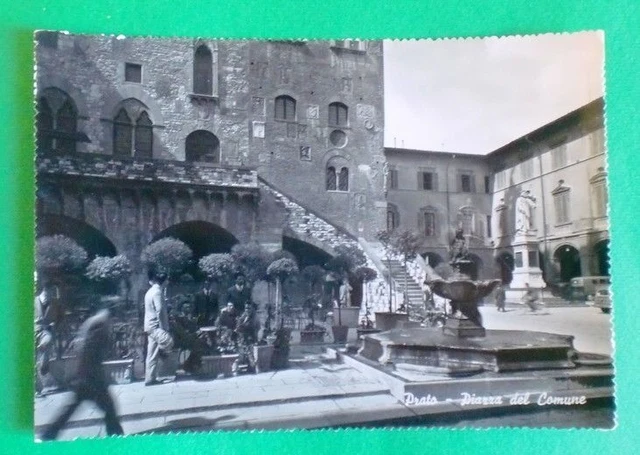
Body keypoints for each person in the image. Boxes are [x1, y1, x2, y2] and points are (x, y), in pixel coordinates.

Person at [38, 302, 124, 440]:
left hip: (85, 375)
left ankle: (48, 435)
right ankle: (117, 438)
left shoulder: (96, 320)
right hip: (89, 376)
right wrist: (91, 373)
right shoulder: (100, 323)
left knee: (71, 409)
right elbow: (88, 350)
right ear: (112, 311)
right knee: (109, 408)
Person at [144, 271, 174, 386]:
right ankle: (164, 371)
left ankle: (150, 378)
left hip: (149, 326)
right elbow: (160, 310)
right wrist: (163, 328)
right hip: (156, 326)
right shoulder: (157, 292)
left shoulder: (150, 291)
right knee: (169, 343)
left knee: (152, 353)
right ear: (164, 280)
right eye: (167, 280)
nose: (168, 282)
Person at [35, 282, 56, 396]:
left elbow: (57, 318)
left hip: (45, 331)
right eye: (48, 293)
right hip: (33, 330)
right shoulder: (33, 301)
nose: (49, 296)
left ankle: (43, 365)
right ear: (44, 291)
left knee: (48, 339)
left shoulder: (52, 304)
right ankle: (38, 389)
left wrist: (52, 323)